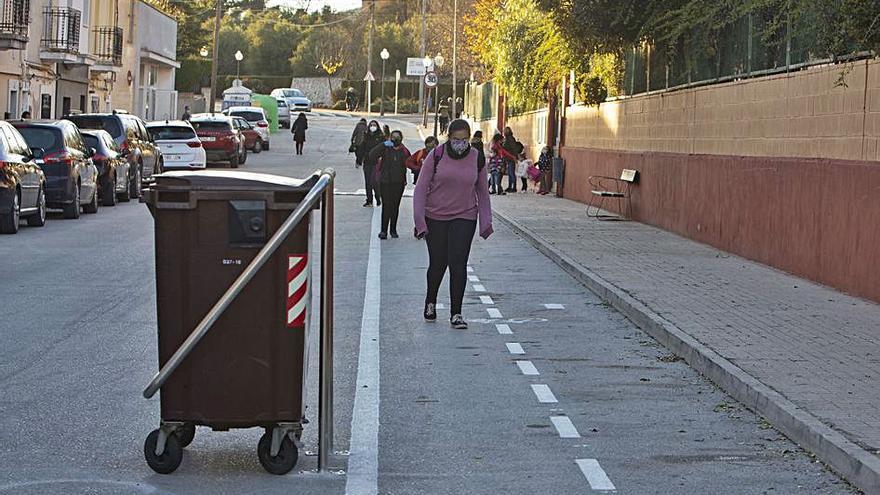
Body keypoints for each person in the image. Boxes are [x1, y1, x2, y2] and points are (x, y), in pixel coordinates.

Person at [413, 119, 493, 330]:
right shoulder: (436, 155)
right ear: (448, 138)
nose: (460, 144)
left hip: (465, 216)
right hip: (436, 216)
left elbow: (483, 191)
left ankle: (456, 313)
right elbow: (421, 188)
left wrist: (486, 222)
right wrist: (419, 221)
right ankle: (431, 301)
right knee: (438, 264)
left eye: (464, 140)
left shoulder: (477, 158)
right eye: (456, 140)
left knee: (458, 264)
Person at [369, 130, 410, 239]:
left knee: (395, 206)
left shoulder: (404, 151)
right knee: (386, 206)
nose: (395, 139)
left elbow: (411, 162)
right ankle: (383, 230)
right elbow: (372, 155)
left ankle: (393, 230)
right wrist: (383, 145)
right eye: (393, 137)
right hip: (385, 182)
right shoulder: (385, 149)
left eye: (397, 137)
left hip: (399, 182)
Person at [359, 120, 385, 207]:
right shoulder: (366, 136)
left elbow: (384, 149)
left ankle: (378, 197)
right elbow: (362, 148)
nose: (372, 127)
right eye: (371, 125)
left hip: (376, 163)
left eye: (374, 125)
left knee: (374, 181)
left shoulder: (381, 137)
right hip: (367, 162)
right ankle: (369, 200)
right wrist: (358, 160)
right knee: (367, 182)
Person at [502, 127, 519, 192]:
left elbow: (513, 148)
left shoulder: (510, 139)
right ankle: (510, 186)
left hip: (511, 158)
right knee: (509, 173)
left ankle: (513, 187)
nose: (504, 132)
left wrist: (515, 157)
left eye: (505, 131)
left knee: (511, 173)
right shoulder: (507, 139)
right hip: (508, 158)